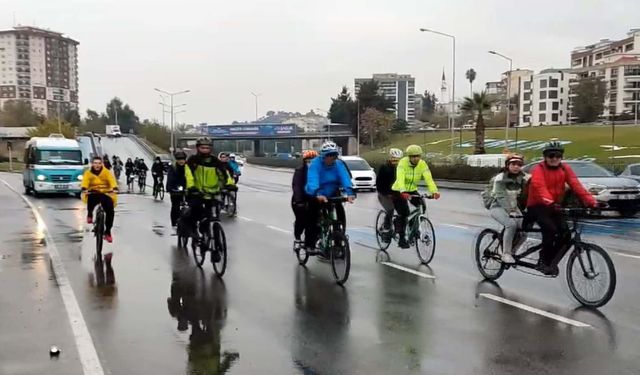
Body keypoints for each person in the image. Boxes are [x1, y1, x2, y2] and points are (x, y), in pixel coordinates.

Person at [526, 141, 597, 275]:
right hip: (537, 206)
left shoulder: (565, 169)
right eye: (551, 155)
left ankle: (550, 261)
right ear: (545, 157)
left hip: (554, 206)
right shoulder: (538, 169)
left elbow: (576, 185)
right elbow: (540, 187)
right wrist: (550, 202)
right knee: (550, 230)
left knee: (565, 234)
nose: (554, 159)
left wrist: (592, 202)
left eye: (558, 156)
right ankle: (543, 260)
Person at [185, 137, 235, 262]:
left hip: (212, 194)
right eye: (203, 147)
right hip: (197, 193)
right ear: (198, 148)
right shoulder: (193, 161)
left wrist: (229, 184)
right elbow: (188, 175)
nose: (205, 150)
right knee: (196, 214)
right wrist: (191, 187)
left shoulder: (215, 161)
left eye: (208, 148)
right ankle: (196, 235)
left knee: (214, 219)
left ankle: (216, 249)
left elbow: (224, 174)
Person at [304, 141, 355, 252]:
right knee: (312, 216)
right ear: (323, 156)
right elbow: (313, 180)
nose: (332, 158)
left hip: (332, 191)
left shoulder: (338, 164)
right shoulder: (315, 164)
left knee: (340, 212)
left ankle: (339, 239)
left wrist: (350, 193)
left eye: (334, 155)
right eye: (329, 156)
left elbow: (345, 178)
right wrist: (318, 194)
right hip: (316, 191)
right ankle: (310, 244)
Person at [391, 144, 441, 249]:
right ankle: (401, 238)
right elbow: (400, 178)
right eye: (413, 156)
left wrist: (434, 191)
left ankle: (413, 229)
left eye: (418, 156)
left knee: (421, 207)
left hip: (412, 190)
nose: (416, 158)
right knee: (404, 213)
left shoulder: (422, 164)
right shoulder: (402, 163)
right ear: (409, 157)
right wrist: (403, 191)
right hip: (398, 190)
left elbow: (428, 179)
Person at [488, 154, 529, 264]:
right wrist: (510, 211)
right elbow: (501, 196)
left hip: (514, 209)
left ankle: (512, 251)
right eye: (513, 164)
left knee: (525, 230)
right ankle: (506, 253)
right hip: (498, 206)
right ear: (507, 165)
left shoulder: (524, 178)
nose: (516, 167)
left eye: (519, 165)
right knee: (511, 224)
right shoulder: (500, 178)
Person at [81, 156, 118, 253]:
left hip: (105, 192)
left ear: (101, 164)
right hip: (93, 192)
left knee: (110, 210)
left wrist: (114, 187)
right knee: (91, 198)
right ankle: (89, 214)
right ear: (92, 164)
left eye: (99, 163)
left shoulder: (106, 172)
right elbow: (85, 181)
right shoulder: (88, 173)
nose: (97, 165)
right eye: (95, 163)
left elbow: (111, 180)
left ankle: (108, 232)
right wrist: (84, 188)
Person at [291, 150, 319, 247]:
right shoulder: (300, 170)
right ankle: (298, 235)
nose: (310, 163)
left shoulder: (319, 170)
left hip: (315, 198)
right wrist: (299, 200)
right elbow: (297, 186)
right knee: (302, 219)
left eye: (313, 160)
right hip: (301, 199)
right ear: (304, 161)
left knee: (316, 220)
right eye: (308, 161)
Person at [376, 148, 403, 233]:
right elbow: (379, 184)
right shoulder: (384, 168)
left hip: (396, 194)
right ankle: (386, 227)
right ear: (390, 158)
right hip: (384, 194)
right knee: (390, 209)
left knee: (403, 211)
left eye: (397, 160)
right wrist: (386, 193)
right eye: (394, 159)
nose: (395, 162)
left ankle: (399, 228)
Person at [166, 151, 188, 227]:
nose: (181, 161)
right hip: (175, 189)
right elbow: (170, 179)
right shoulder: (173, 168)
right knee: (175, 206)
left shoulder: (188, 167)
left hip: (186, 188)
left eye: (183, 159)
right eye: (179, 159)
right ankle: (174, 222)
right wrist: (170, 188)